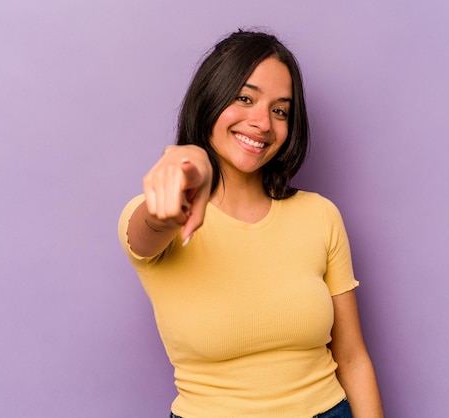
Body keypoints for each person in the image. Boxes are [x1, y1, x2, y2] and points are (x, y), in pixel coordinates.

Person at [118, 29, 384, 418]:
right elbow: (155, 222)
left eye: (280, 110)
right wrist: (185, 164)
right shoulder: (159, 216)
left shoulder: (320, 215)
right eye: (245, 98)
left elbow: (353, 358)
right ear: (210, 99)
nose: (262, 123)